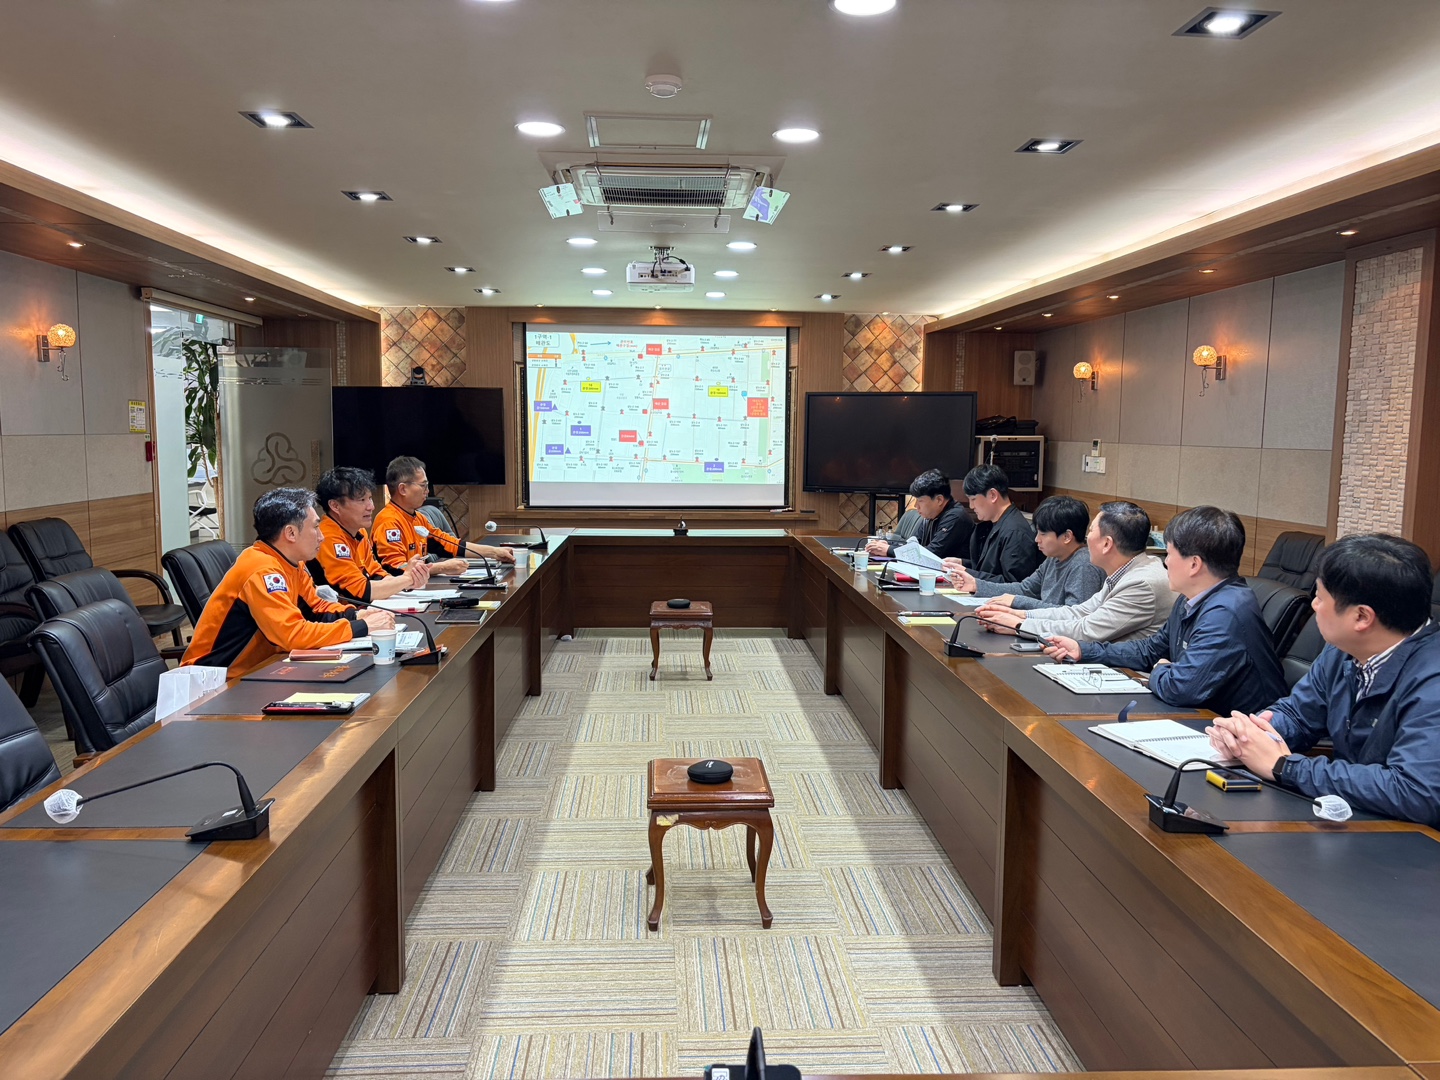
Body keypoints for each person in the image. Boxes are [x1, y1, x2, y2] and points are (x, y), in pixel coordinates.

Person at [1207, 534, 1440, 827]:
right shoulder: (1344, 649)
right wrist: (1249, 736)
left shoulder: (1432, 682)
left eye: (1319, 596)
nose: (1314, 606)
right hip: (1356, 817)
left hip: (1413, 841)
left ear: (1361, 617)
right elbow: (1298, 714)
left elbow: (1416, 792)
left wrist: (1286, 767)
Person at [1043, 505, 1286, 715]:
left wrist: (1160, 670)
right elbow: (1150, 650)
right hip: (1204, 718)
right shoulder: (1192, 597)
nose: (1165, 562)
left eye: (1169, 554)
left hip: (1240, 734)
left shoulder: (1226, 613)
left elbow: (1181, 688)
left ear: (1194, 564)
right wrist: (1084, 650)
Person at [182, 487, 394, 677]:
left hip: (260, 669)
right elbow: (293, 634)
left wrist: (356, 615)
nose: (321, 537)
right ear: (291, 533)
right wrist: (361, 627)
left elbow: (316, 608)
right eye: (316, 528)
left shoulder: (291, 562)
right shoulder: (262, 570)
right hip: (215, 682)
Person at [975, 501, 1173, 642]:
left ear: (1106, 543)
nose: (1086, 538)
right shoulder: (1125, 571)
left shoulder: (1140, 584)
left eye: (1091, 531)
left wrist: (1018, 625)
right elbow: (1080, 611)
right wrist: (1021, 615)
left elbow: (1086, 629)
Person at [947, 495, 1103, 610]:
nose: (1036, 539)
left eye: (1043, 534)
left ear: (1067, 537)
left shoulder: (1084, 566)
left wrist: (1017, 602)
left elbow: (1072, 615)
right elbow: (1025, 589)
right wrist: (976, 585)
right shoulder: (1054, 558)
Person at [372, 455, 515, 575]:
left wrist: (494, 552)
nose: (427, 491)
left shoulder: (418, 518)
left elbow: (450, 544)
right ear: (403, 489)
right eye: (423, 485)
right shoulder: (389, 522)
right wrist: (442, 568)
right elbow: (397, 569)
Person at [310, 466, 430, 603]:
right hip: (336, 612)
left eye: (370, 498)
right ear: (335, 506)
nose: (371, 507)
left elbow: (376, 573)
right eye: (362, 500)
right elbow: (359, 591)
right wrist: (407, 579)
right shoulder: (326, 537)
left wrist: (404, 583)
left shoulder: (358, 531)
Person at [864, 469, 973, 561]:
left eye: (920, 501)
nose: (916, 506)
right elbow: (913, 544)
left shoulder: (955, 517)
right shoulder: (931, 515)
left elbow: (931, 554)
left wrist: (889, 550)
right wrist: (888, 544)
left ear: (939, 500)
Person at [961, 464, 1042, 582]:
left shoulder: (1015, 532)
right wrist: (962, 564)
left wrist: (967, 573)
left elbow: (1013, 584)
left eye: (973, 499)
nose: (971, 506)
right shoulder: (992, 524)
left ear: (993, 495)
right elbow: (989, 569)